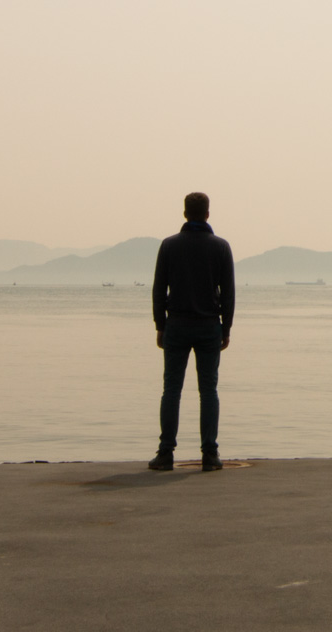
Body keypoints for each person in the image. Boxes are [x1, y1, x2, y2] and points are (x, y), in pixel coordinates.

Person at [149, 191, 235, 471]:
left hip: (176, 325)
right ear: (207, 214)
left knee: (171, 390)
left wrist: (160, 325)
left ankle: (165, 454)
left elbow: (159, 289)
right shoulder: (221, 247)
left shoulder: (169, 246)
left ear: (185, 214)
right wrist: (227, 327)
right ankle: (210, 454)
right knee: (208, 390)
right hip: (209, 325)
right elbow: (229, 293)